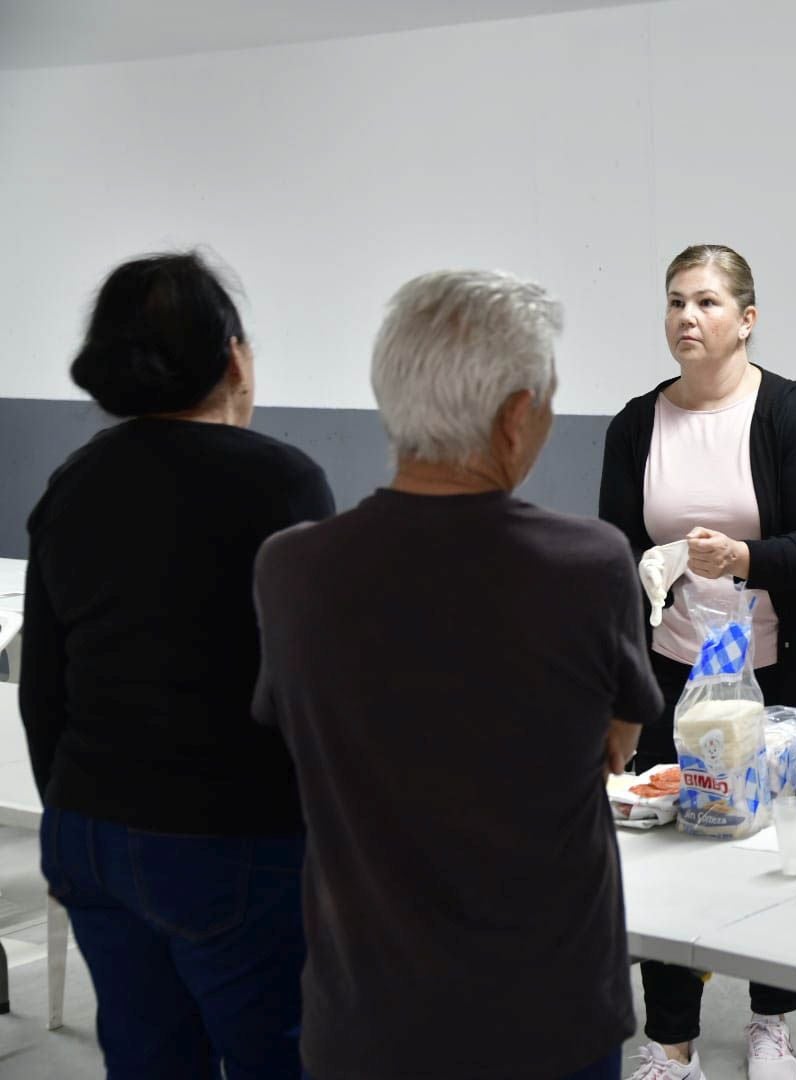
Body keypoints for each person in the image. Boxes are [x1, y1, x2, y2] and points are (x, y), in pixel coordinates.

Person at [251, 270, 662, 1080]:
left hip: (367, 1011)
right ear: (517, 416)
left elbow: (296, 738)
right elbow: (618, 744)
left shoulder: (292, 569)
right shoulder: (588, 565)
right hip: (545, 1008)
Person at [21, 251, 335, 1078]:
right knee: (280, 1059)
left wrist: (63, 830)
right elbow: (311, 683)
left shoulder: (73, 482)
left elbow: (44, 685)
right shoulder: (281, 482)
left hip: (91, 829)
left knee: (148, 1061)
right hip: (231, 840)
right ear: (234, 356)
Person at [599, 244, 796, 1080]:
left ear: (747, 320)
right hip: (676, 669)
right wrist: (652, 571)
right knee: (673, 849)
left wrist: (745, 559)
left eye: (707, 302)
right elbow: (615, 544)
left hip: (780, 672)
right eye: (676, 301)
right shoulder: (638, 422)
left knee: (767, 849)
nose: (687, 317)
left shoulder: (788, 413)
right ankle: (671, 1038)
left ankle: (770, 1021)